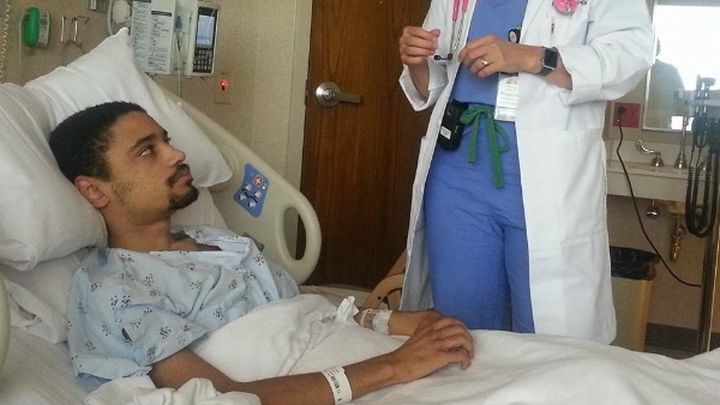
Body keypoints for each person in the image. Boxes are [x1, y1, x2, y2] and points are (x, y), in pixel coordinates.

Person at [49, 102, 474, 405]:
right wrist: (395, 365)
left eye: (167, 141)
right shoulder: (114, 290)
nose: (176, 154)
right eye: (147, 150)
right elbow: (225, 397)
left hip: (360, 353)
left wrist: (393, 322)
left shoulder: (217, 241)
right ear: (95, 190)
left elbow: (301, 312)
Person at [397, 0, 654, 342]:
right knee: (460, 326)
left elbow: (631, 55)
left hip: (548, 173)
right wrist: (416, 60)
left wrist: (532, 58)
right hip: (458, 171)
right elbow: (434, 80)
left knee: (548, 332)